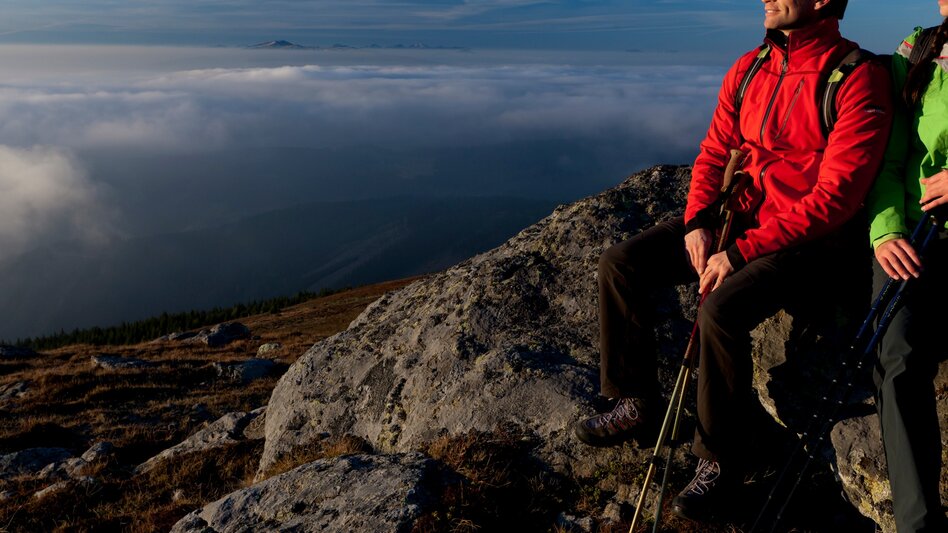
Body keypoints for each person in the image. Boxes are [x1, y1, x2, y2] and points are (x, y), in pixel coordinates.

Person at [572, 0, 894, 522]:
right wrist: (699, 219)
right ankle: (636, 400)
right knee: (622, 262)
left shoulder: (857, 77)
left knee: (721, 309)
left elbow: (837, 197)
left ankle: (720, 459)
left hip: (813, 243)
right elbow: (715, 150)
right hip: (739, 219)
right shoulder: (750, 69)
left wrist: (740, 252)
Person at [866, 4, 948, 531]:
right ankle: (918, 524)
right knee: (895, 357)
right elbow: (889, 154)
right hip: (918, 234)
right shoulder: (917, 50)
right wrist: (886, 228)